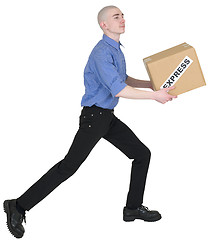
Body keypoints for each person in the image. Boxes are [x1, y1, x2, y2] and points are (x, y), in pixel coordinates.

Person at [3, 5, 177, 238]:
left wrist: (151, 85)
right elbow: (118, 89)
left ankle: (132, 208)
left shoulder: (115, 49)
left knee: (142, 154)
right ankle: (18, 205)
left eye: (123, 15)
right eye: (116, 17)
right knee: (68, 167)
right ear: (104, 25)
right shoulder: (101, 52)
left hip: (107, 118)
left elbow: (122, 78)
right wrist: (154, 96)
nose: (122, 19)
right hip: (94, 118)